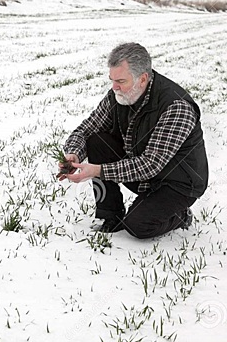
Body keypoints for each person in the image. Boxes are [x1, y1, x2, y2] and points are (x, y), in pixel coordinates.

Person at [59, 42, 208, 239]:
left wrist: (97, 170)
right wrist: (73, 154)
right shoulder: (119, 95)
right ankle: (109, 215)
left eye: (120, 80)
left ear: (143, 79)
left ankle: (180, 215)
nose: (114, 87)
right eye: (112, 80)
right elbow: (87, 129)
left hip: (178, 183)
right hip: (141, 170)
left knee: (138, 226)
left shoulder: (176, 106)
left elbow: (151, 164)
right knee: (96, 141)